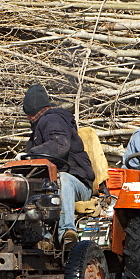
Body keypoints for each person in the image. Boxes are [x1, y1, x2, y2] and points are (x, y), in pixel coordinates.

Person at [22, 83, 95, 251]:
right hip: (54, 186)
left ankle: (67, 231)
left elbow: (60, 144)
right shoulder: (40, 128)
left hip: (79, 184)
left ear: (30, 111)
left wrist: (31, 153)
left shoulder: (52, 120)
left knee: (62, 179)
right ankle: (43, 237)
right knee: (27, 187)